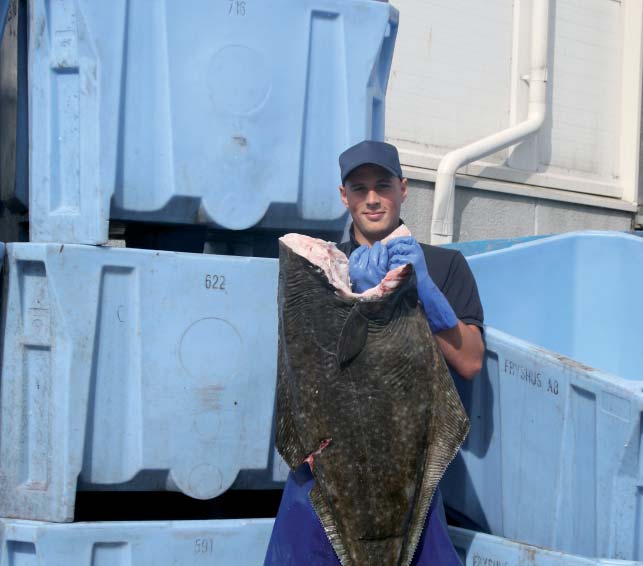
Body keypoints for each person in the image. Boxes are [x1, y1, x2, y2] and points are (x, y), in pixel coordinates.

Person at [265, 140, 485, 565]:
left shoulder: (444, 265)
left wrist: (425, 290)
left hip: (405, 466)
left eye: (382, 185)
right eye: (359, 187)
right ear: (344, 196)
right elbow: (293, 364)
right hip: (328, 466)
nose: (372, 198)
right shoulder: (324, 269)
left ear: (403, 189)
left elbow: (470, 361)